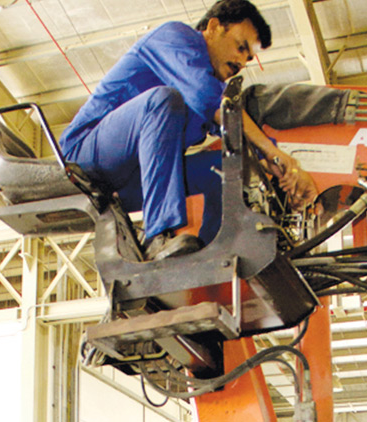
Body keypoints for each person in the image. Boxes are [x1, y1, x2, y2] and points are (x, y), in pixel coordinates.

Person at [59, 0, 317, 260]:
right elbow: (209, 98)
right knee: (162, 100)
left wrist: (282, 165)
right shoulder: (175, 38)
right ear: (214, 27)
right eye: (241, 47)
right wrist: (272, 151)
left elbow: (235, 133)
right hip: (84, 158)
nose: (242, 61)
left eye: (248, 58)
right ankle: (158, 235)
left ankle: (209, 255)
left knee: (226, 167)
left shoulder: (205, 89)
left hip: (133, 180)